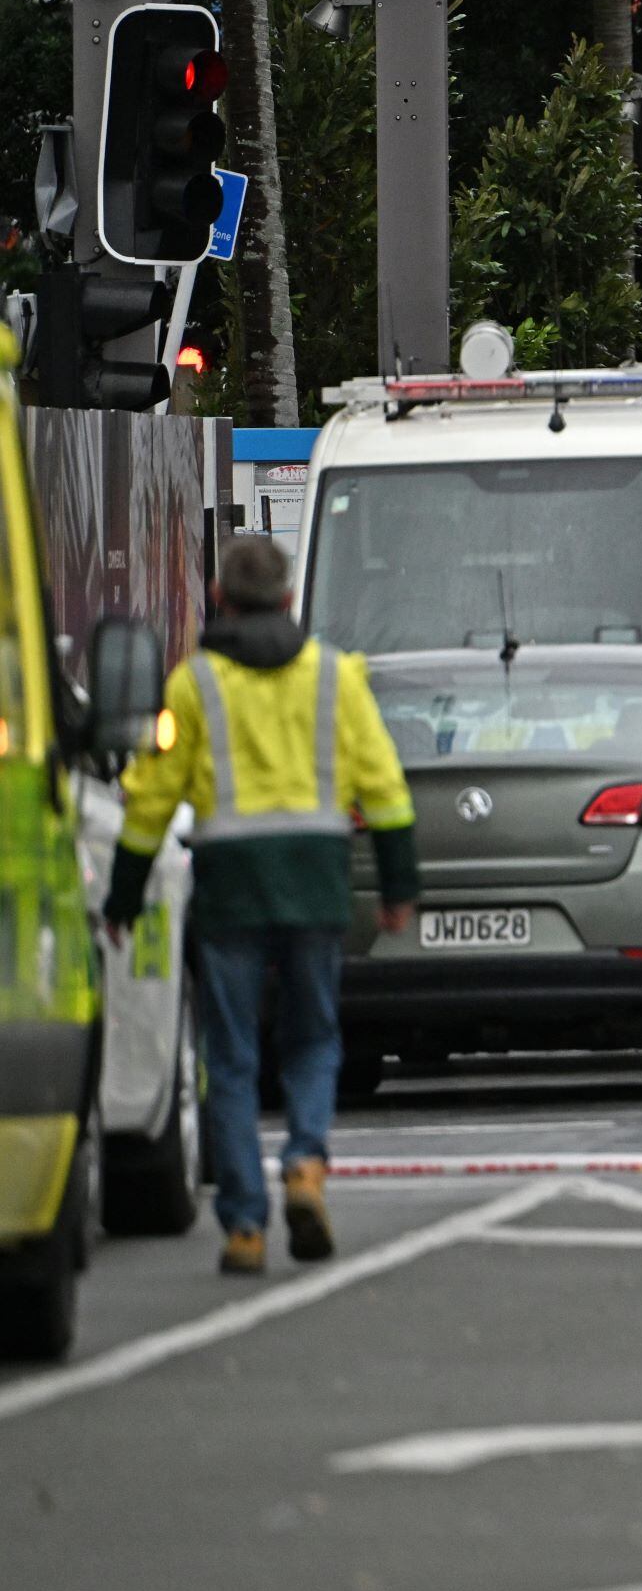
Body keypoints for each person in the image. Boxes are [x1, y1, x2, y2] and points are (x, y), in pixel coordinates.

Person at [102, 538, 419, 1275]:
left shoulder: (194, 685)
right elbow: (385, 784)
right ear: (286, 601)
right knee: (312, 1040)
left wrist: (123, 895)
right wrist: (399, 887)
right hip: (315, 882)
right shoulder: (336, 678)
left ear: (219, 599)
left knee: (232, 1056)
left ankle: (245, 1224)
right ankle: (306, 1165)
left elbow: (150, 800)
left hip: (231, 888)